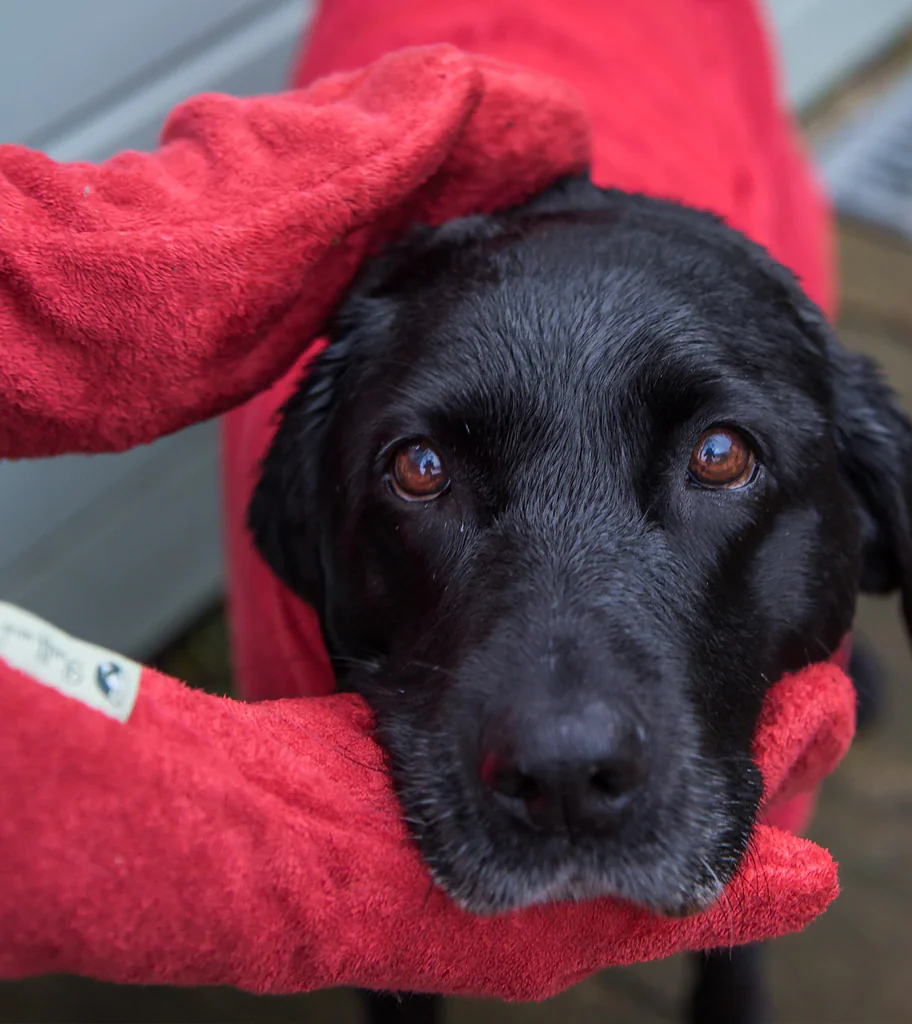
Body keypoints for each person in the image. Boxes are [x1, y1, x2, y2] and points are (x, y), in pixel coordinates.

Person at [0, 2, 854, 1001]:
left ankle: (728, 982)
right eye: (421, 473)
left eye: (716, 458)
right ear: (315, 522)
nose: (565, 739)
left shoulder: (765, 342)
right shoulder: (305, 458)